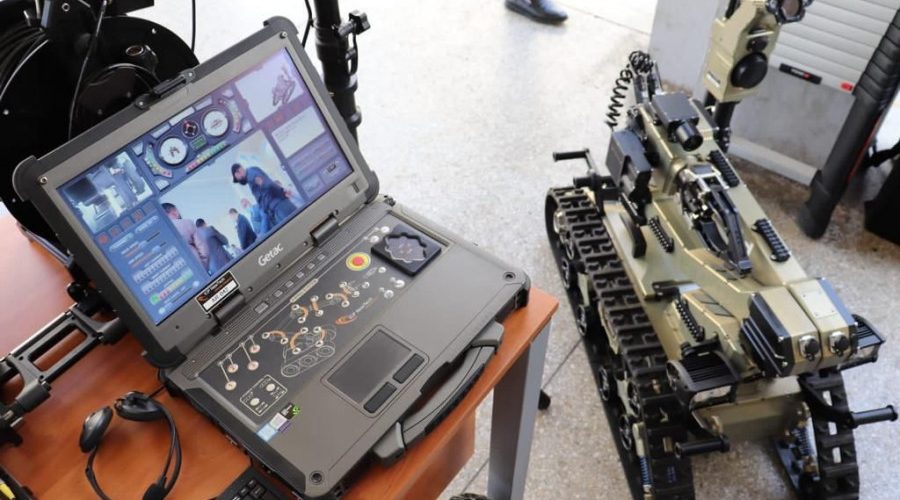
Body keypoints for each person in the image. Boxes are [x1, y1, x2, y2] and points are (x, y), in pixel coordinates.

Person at [231, 163, 297, 230]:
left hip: (279, 206)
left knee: (295, 227)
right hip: (276, 207)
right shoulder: (251, 174)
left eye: (237, 178)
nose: (239, 181)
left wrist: (282, 191)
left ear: (238, 171)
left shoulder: (250, 174)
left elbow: (267, 184)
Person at [162, 202, 208, 268]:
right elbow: (203, 249)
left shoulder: (162, 232)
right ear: (174, 212)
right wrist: (203, 266)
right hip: (196, 265)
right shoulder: (187, 223)